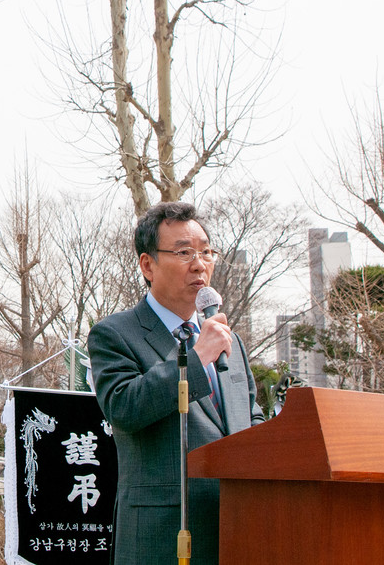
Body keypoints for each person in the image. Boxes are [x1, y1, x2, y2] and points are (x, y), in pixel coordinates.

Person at [87, 201, 264, 565]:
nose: (200, 264)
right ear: (147, 265)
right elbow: (124, 407)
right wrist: (195, 359)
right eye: (184, 252)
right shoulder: (115, 334)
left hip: (237, 530)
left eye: (206, 252)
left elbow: (252, 420)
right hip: (161, 537)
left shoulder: (231, 341)